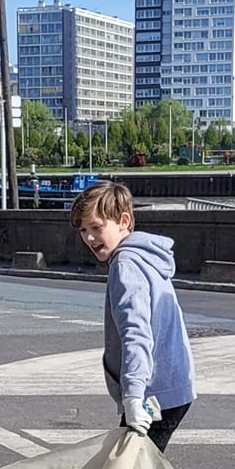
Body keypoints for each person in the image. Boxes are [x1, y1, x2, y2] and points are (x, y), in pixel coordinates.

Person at [71, 180, 195, 452]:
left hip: (153, 392)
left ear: (123, 221)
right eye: (83, 230)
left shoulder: (126, 265)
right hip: (172, 384)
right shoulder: (146, 258)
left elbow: (136, 333)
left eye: (96, 227)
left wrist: (133, 396)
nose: (89, 238)